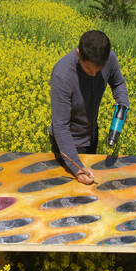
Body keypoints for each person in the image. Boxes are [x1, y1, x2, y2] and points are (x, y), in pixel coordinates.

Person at [49, 30, 129, 184]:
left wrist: (123, 105)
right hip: (67, 144)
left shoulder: (109, 58)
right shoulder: (62, 75)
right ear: (79, 53)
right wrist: (77, 168)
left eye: (98, 71)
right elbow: (61, 127)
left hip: (91, 136)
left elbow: (118, 83)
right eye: (88, 70)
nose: (93, 74)